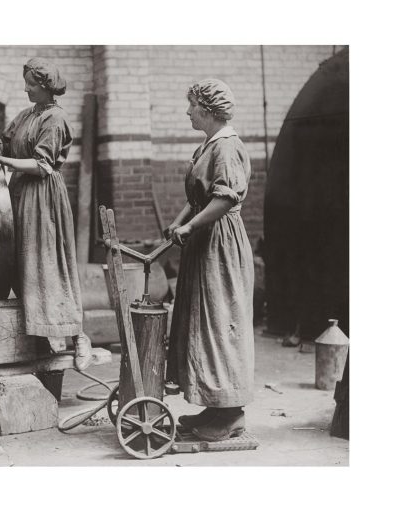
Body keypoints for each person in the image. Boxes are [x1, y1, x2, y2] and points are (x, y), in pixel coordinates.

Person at [0, 57, 92, 370]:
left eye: (31, 83)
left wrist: (1, 158)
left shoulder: (55, 119)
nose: (26, 88)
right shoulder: (27, 114)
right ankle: (42, 334)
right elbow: (8, 142)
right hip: (18, 193)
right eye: (26, 82)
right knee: (20, 262)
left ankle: (79, 336)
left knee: (48, 265)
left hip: (42, 197)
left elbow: (41, 166)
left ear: (45, 86)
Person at [165, 78, 255, 442]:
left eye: (192, 107)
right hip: (205, 239)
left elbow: (225, 200)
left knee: (221, 324)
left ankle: (231, 413)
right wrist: (180, 220)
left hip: (221, 244)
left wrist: (191, 227)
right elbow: (201, 197)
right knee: (203, 324)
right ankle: (214, 406)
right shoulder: (208, 145)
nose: (188, 112)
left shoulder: (227, 148)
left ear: (207, 110)